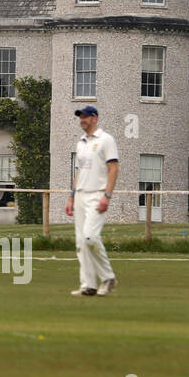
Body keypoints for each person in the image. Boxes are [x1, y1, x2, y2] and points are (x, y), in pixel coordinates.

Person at [66, 105, 119, 297]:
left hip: (98, 193)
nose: (82, 119)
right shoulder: (81, 143)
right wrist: (71, 197)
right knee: (81, 242)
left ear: (95, 118)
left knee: (90, 236)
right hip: (80, 194)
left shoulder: (106, 140)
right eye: (80, 117)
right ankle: (88, 284)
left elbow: (113, 168)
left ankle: (108, 277)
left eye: (86, 116)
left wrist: (107, 195)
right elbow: (80, 171)